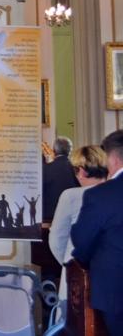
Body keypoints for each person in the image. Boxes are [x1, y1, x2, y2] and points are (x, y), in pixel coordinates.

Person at [72, 130, 123, 332]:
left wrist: (85, 260)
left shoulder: (101, 195)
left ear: (113, 158)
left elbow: (82, 240)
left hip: (115, 288)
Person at [49, 145, 107, 309]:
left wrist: (70, 266)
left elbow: (56, 239)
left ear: (81, 171)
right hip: (110, 277)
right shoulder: (116, 194)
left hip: (76, 275)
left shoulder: (70, 196)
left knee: (73, 319)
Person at [43, 136, 79, 221]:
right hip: (72, 215)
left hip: (49, 216)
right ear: (70, 151)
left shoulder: (45, 169)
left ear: (54, 150)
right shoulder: (77, 169)